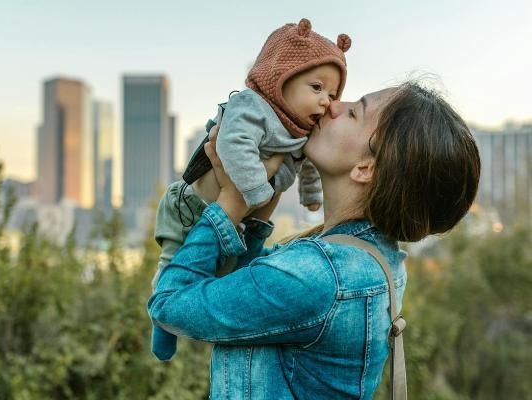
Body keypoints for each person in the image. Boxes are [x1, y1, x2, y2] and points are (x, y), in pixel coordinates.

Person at [148, 81, 481, 399]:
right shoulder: (375, 259)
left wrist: (230, 204)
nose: (334, 105)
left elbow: (168, 304)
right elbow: (250, 293)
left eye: (354, 113)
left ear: (366, 168)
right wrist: (261, 210)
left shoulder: (319, 276)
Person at [151, 18, 352, 361]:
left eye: (332, 95)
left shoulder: (300, 132)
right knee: (173, 263)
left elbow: (307, 168)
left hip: (240, 219)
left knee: (231, 274)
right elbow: (234, 146)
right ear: (281, 78)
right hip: (194, 207)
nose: (325, 102)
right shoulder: (251, 106)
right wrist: (259, 191)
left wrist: (311, 195)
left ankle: (188, 314)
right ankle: (162, 325)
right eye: (316, 88)